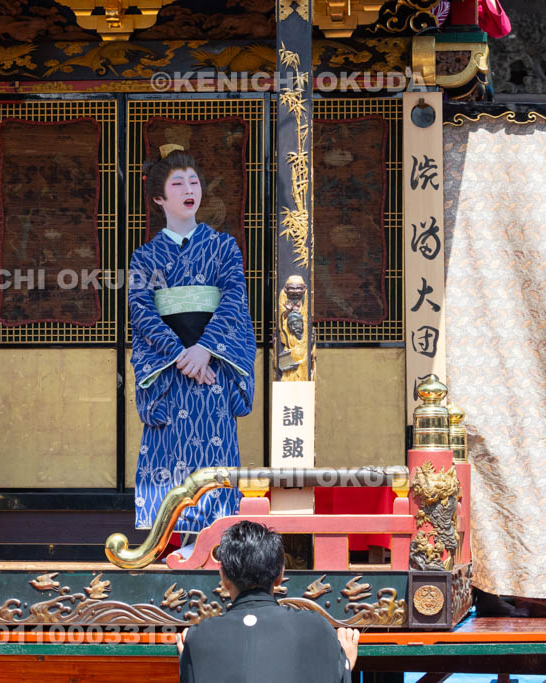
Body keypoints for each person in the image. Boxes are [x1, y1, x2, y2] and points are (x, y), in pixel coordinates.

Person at [129, 145, 255, 541]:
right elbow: (141, 309)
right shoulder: (144, 257)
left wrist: (205, 350)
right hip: (170, 374)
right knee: (167, 457)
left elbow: (234, 297)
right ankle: (165, 547)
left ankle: (216, 546)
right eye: (178, 182)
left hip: (213, 370)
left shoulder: (223, 247)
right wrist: (179, 354)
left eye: (194, 181)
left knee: (214, 460)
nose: (189, 189)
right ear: (159, 198)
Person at [177, 521, 359, 682]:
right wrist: (344, 663)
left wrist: (192, 654)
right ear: (280, 574)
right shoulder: (317, 627)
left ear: (223, 577)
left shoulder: (200, 637)